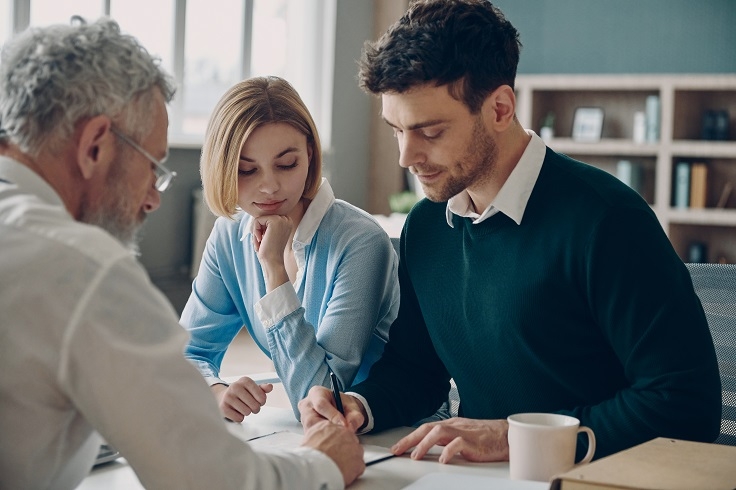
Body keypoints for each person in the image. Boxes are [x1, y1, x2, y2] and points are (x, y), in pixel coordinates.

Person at [299, 0, 722, 464]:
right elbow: (416, 371)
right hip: (478, 476)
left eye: (431, 132)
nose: (406, 156)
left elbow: (685, 405)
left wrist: (514, 437)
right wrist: (359, 406)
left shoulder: (609, 221)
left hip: (597, 475)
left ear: (500, 108)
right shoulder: (426, 227)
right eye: (397, 130)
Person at [0, 18, 364, 489]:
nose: (153, 198)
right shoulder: (82, 267)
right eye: (152, 166)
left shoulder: (355, 239)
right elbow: (213, 480)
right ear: (94, 146)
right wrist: (325, 464)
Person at [181, 76, 399, 421]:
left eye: (286, 164)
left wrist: (274, 271)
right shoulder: (228, 236)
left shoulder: (361, 242)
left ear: (310, 155)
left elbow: (320, 399)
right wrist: (216, 391)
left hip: (394, 431)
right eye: (246, 170)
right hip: (323, 440)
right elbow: (187, 352)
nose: (269, 187)